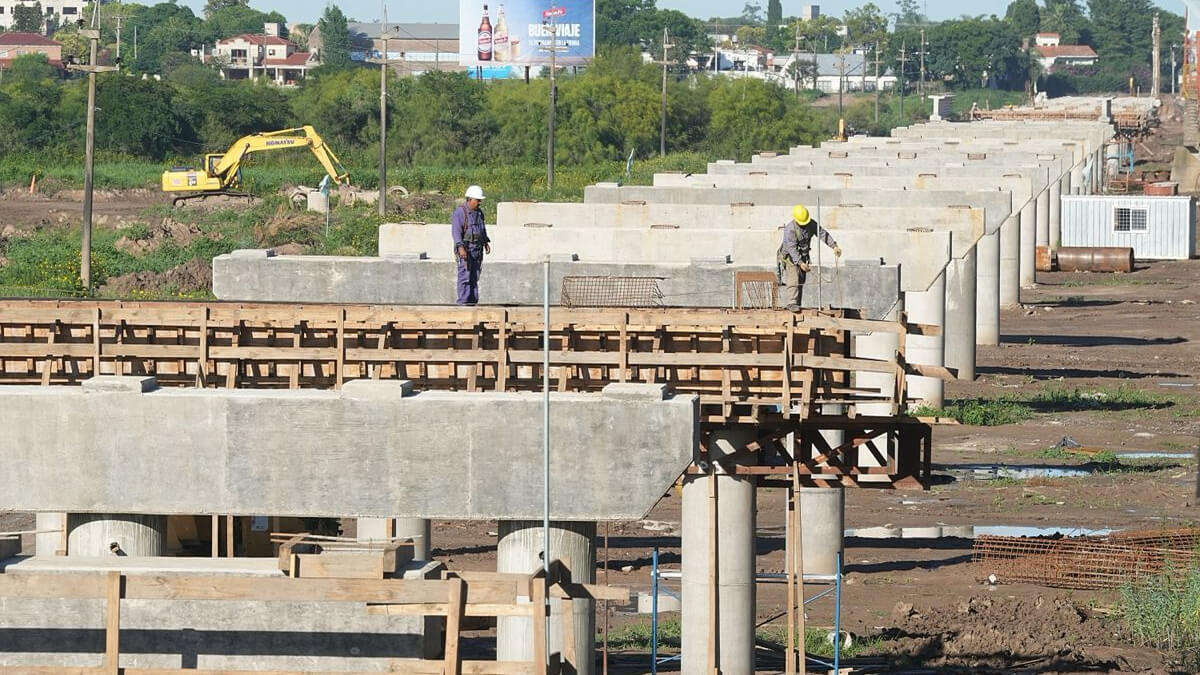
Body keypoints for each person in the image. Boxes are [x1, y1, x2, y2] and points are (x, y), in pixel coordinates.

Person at [777, 204, 842, 311]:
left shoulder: (810, 224)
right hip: (791, 258)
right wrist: (800, 263)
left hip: (803, 256)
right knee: (794, 278)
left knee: (801, 280)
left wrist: (834, 246)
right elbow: (792, 249)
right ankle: (792, 303)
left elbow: (822, 233)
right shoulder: (790, 230)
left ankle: (797, 304)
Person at [452, 185, 492, 305]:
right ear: (470, 199)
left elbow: (482, 229)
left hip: (477, 250)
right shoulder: (460, 213)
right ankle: (463, 304)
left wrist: (485, 242)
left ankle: (472, 303)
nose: (479, 202)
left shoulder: (479, 213)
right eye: (477, 200)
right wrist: (460, 248)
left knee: (475, 277)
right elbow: (456, 232)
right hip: (466, 250)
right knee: (465, 277)